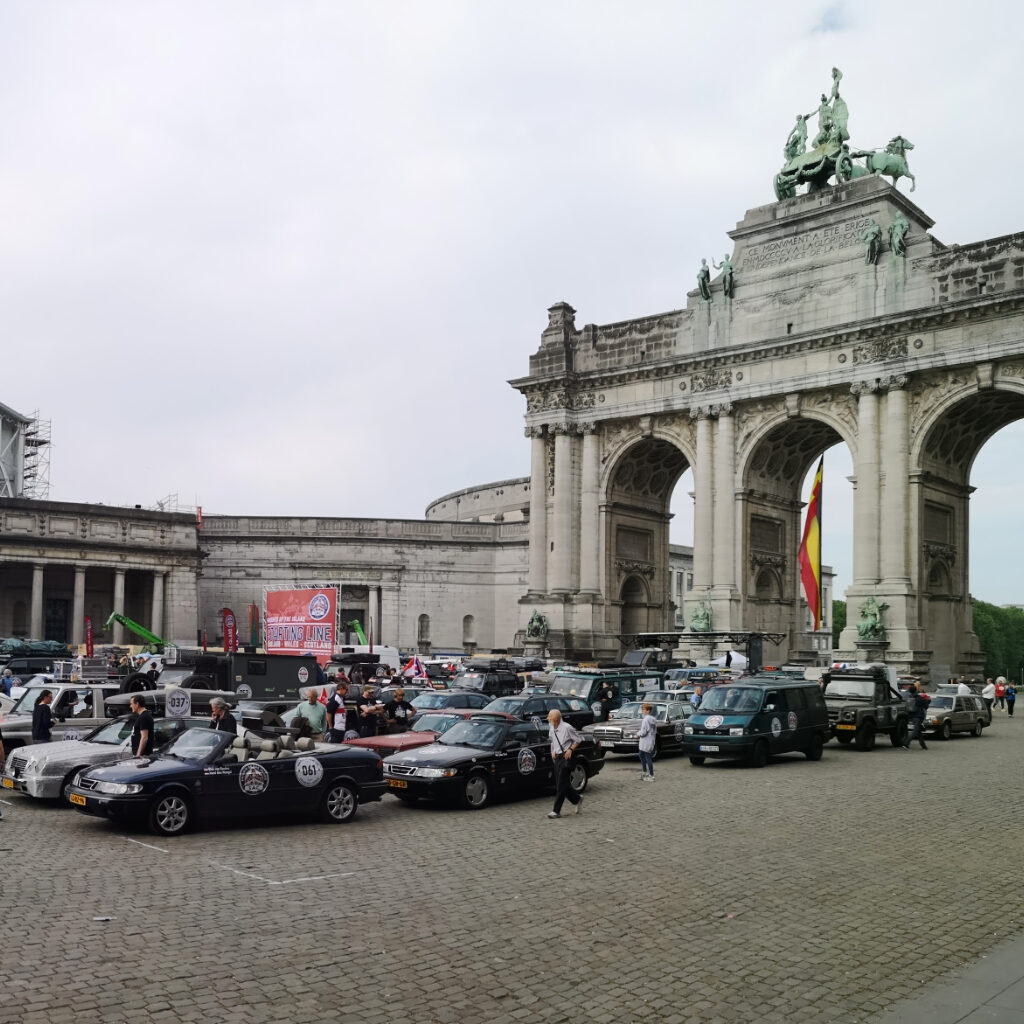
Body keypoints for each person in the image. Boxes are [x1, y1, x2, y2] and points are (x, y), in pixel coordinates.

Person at [545, 709, 583, 819]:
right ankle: (577, 799)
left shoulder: (567, 728)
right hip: (557, 757)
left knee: (561, 783)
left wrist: (570, 749)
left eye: (550, 717)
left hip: (567, 757)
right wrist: (552, 751)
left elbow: (579, 739)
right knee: (561, 785)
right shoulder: (552, 728)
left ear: (556, 718)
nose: (548, 719)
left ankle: (556, 811)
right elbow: (552, 741)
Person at [903, 683, 928, 750]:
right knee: (916, 730)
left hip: (911, 716)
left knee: (918, 730)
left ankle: (924, 746)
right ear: (916, 690)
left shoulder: (909, 698)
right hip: (918, 716)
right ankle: (906, 743)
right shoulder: (919, 698)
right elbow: (926, 705)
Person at [637, 702, 657, 782]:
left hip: (645, 741)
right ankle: (644, 772)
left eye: (644, 709)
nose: (642, 711)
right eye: (642, 709)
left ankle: (651, 775)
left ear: (648, 711)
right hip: (650, 740)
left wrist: (638, 734)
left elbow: (643, 732)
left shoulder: (645, 720)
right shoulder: (652, 719)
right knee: (641, 754)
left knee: (647, 757)